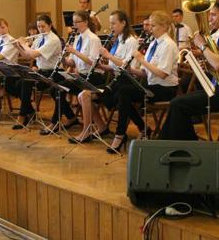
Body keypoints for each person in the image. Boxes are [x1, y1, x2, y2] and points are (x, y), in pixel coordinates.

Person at [159, 0, 219, 140]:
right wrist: (201, 58)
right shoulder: (218, 34)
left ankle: (180, 144)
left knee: (180, 104)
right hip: (217, 88)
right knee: (177, 102)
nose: (209, 19)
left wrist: (202, 46)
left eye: (213, 15)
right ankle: (173, 143)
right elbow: (211, 58)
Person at [108, 10, 179, 153]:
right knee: (119, 93)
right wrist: (130, 70)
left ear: (164, 26)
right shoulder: (154, 43)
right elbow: (146, 73)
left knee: (124, 92)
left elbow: (162, 74)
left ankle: (120, 134)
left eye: (153, 26)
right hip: (152, 84)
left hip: (165, 88)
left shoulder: (168, 45)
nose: (149, 29)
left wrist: (141, 60)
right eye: (149, 25)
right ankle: (140, 128)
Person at [71, 10, 139, 143]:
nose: (111, 26)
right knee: (84, 95)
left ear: (123, 23)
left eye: (113, 23)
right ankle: (96, 128)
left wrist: (109, 56)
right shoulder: (118, 40)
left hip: (126, 81)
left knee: (86, 95)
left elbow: (128, 67)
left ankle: (89, 130)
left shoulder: (131, 41)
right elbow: (113, 66)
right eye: (110, 23)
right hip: (116, 80)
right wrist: (101, 66)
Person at [43, 10, 104, 134]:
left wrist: (75, 52)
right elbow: (73, 63)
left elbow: (93, 62)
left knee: (59, 89)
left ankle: (55, 122)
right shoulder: (77, 39)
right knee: (54, 89)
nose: (74, 25)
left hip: (93, 77)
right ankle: (72, 118)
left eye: (77, 22)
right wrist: (63, 59)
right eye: (73, 22)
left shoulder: (94, 39)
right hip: (81, 75)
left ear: (86, 22)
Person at [13, 15, 62, 127]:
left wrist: (24, 44)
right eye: (39, 26)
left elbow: (34, 53)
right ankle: (30, 110)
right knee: (19, 84)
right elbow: (28, 56)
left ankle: (22, 115)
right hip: (41, 71)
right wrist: (18, 47)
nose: (40, 29)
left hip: (53, 72)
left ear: (50, 25)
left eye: (43, 26)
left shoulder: (53, 39)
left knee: (26, 81)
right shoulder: (40, 38)